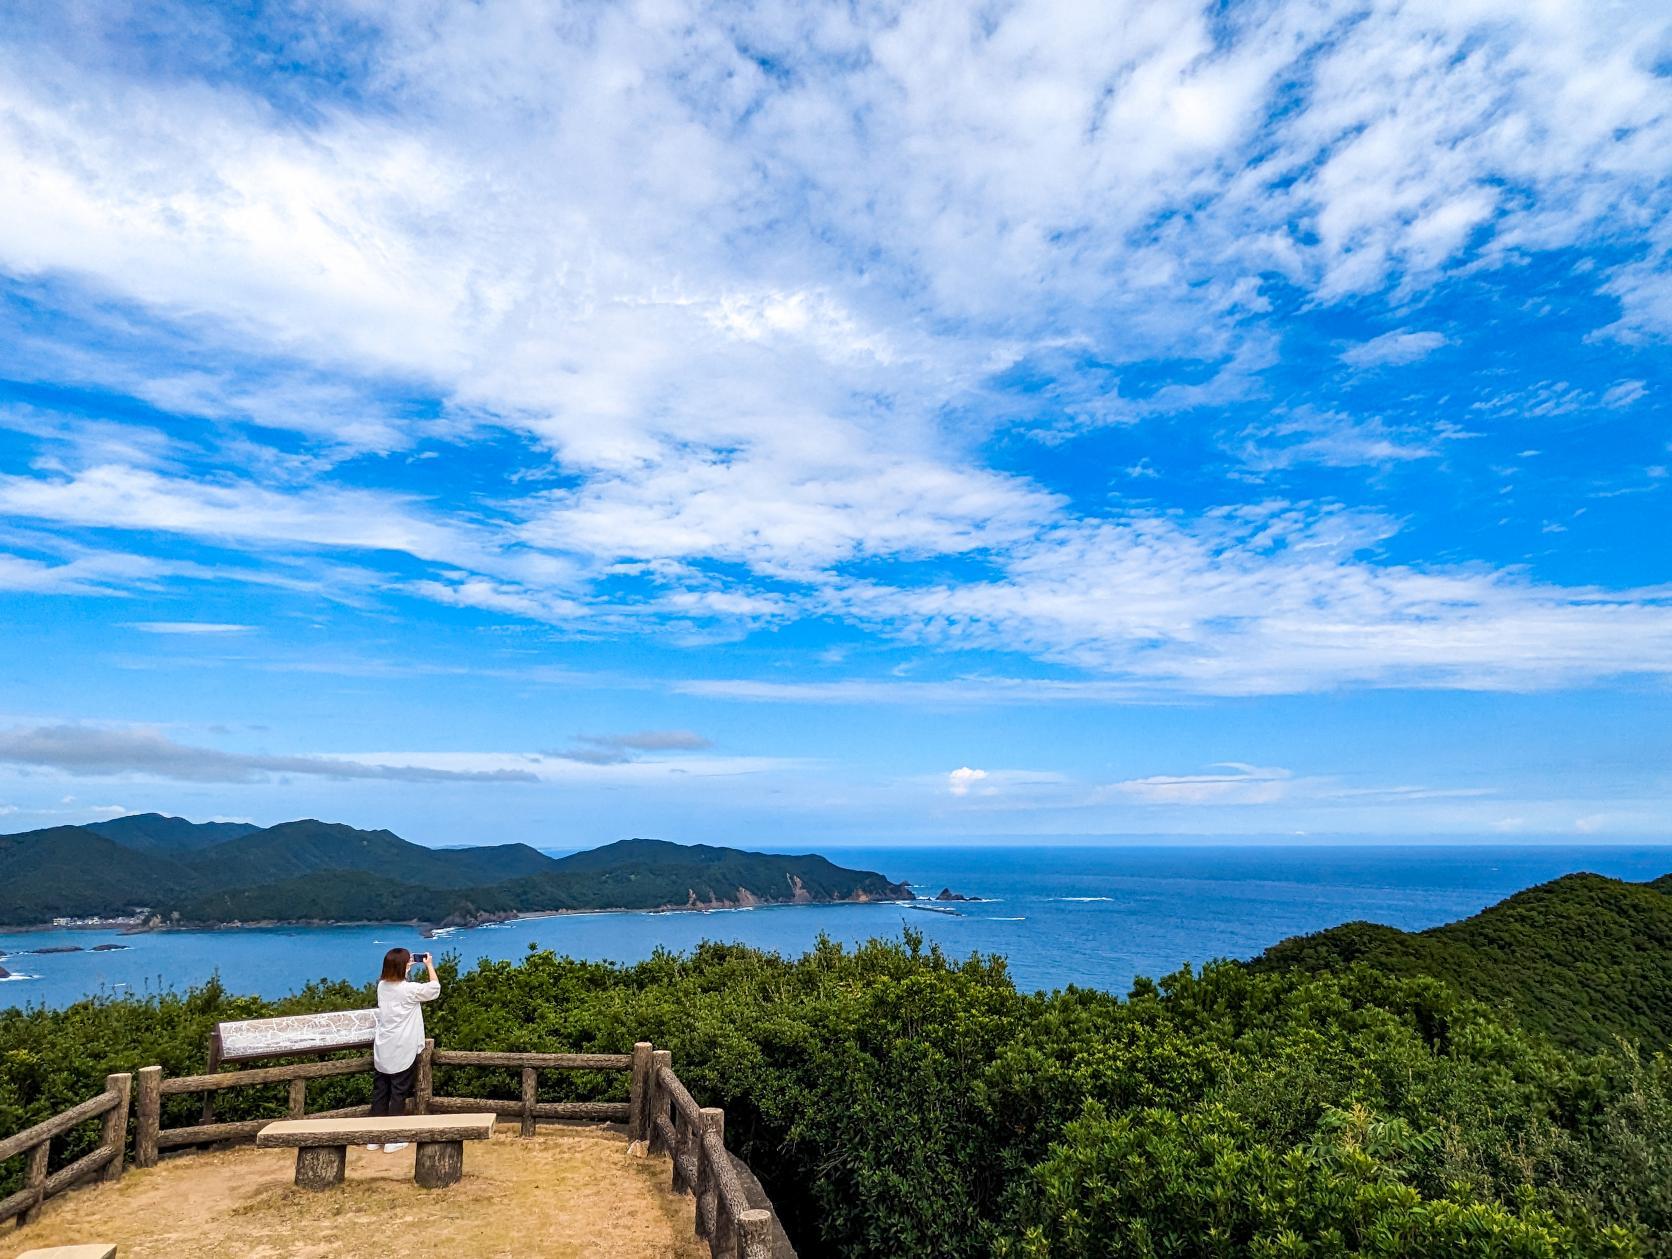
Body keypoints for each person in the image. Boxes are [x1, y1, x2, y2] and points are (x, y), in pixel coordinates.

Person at [369, 946, 440, 1152]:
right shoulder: (408, 990)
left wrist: (404, 967)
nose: (410, 962)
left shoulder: (382, 986)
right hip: (401, 1047)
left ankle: (373, 1137)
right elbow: (434, 989)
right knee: (398, 1093)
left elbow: (396, 982)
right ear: (402, 967)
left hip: (383, 1047)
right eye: (408, 961)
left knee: (381, 1093)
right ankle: (393, 1139)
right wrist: (429, 966)